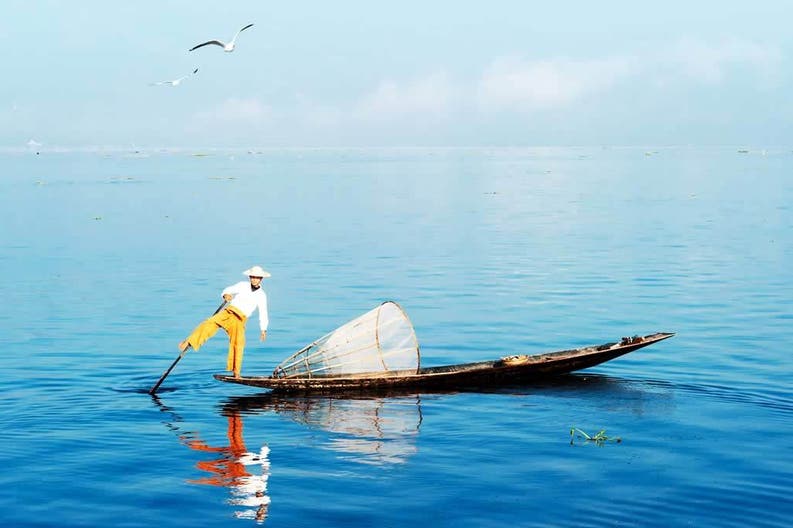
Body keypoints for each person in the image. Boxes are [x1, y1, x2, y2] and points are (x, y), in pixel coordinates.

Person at [179, 266, 270, 378]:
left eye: (257, 277)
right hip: (228, 312)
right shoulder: (242, 285)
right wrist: (225, 295)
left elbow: (263, 313)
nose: (254, 279)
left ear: (261, 279)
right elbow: (227, 290)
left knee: (238, 343)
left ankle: (236, 372)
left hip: (240, 319)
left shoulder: (262, 295)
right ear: (250, 277)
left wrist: (263, 329)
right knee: (208, 323)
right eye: (252, 277)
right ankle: (189, 342)